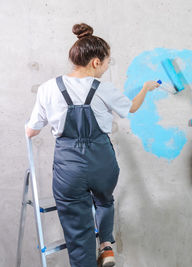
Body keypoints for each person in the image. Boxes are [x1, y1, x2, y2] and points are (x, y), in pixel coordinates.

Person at [25, 23, 159, 267]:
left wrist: (32, 128)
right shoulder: (104, 89)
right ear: (96, 62)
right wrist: (145, 89)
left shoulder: (47, 89)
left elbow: (32, 130)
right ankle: (106, 245)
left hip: (69, 168)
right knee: (104, 200)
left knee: (78, 232)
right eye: (107, 62)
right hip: (103, 164)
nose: (107, 67)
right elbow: (131, 108)